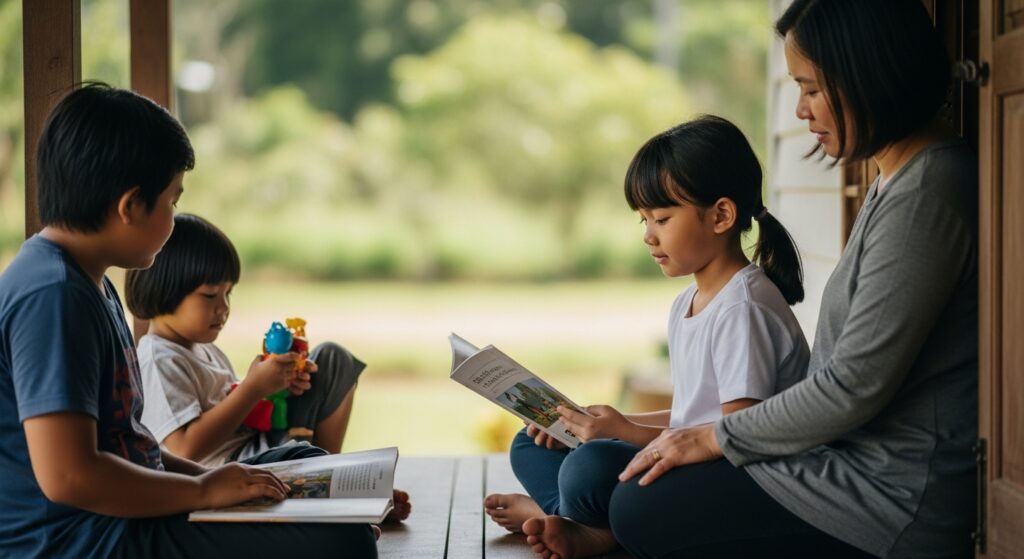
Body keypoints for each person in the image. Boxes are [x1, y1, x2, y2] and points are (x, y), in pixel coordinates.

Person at [531, 1, 977, 557]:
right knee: (600, 475)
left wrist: (709, 438)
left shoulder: (929, 194)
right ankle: (588, 521)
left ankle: (593, 528)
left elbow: (852, 388)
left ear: (870, 77)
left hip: (887, 497)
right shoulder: (895, 183)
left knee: (635, 502)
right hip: (834, 461)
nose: (800, 111)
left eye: (812, 89)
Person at [0, 83, 377, 558]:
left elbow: (133, 447)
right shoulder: (51, 295)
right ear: (130, 206)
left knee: (304, 466)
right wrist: (204, 493)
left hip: (124, 514)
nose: (175, 217)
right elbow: (70, 477)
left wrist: (213, 479)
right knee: (342, 541)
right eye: (172, 202)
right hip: (86, 540)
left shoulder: (87, 282)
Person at [485, 115, 811, 555]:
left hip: (737, 476)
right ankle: (570, 518)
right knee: (532, 444)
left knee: (590, 467)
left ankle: (585, 527)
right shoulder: (689, 303)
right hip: (692, 454)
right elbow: (691, 415)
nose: (648, 236)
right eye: (643, 220)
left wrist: (622, 433)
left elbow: (735, 432)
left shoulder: (744, 307)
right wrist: (606, 423)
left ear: (721, 215)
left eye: (661, 218)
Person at [125, 212, 411, 518]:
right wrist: (252, 388)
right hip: (231, 471)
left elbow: (237, 410)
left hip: (259, 444)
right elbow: (185, 448)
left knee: (332, 359)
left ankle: (333, 484)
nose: (223, 308)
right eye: (210, 295)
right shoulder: (158, 359)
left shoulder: (201, 347)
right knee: (298, 455)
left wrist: (277, 386)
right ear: (164, 290)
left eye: (228, 293)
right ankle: (340, 495)